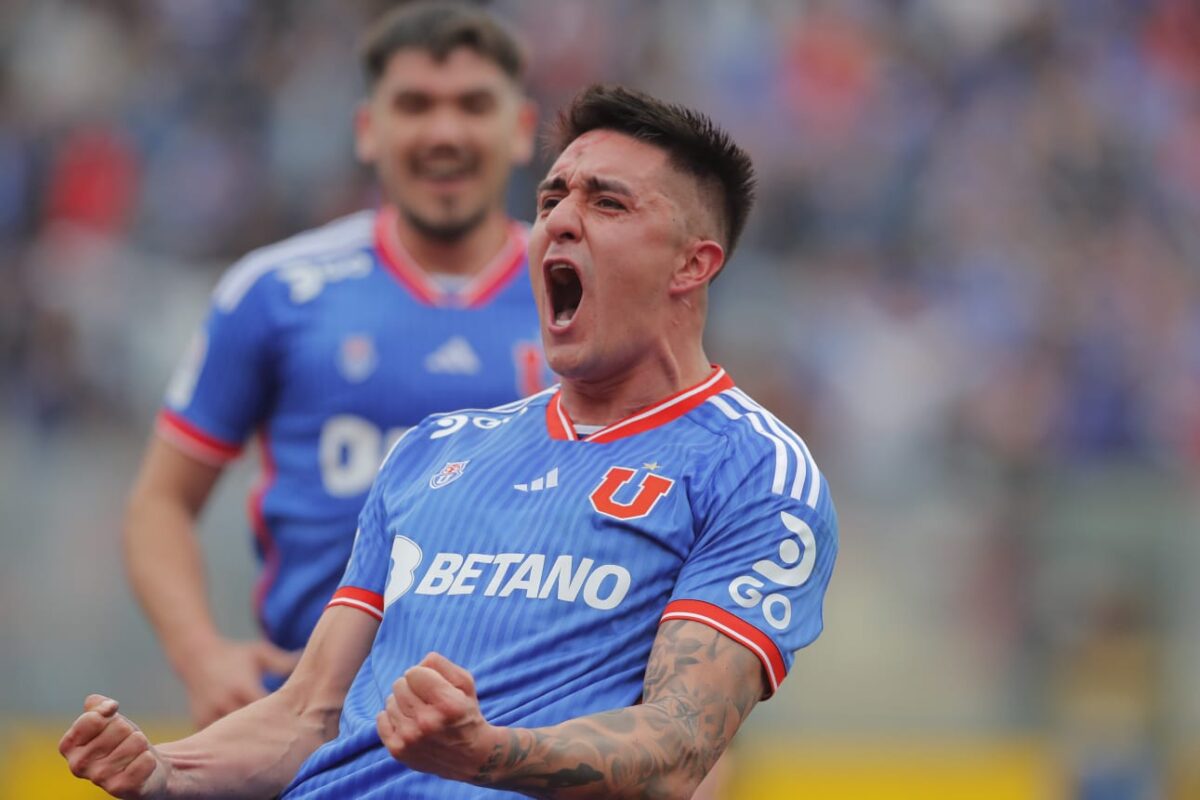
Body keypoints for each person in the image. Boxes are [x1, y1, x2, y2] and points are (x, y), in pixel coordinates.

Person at [61, 84, 838, 799]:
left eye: (608, 203)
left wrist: (485, 752)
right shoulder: (433, 451)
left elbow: (678, 750)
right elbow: (305, 716)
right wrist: (166, 770)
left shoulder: (754, 471)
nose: (560, 219)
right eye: (551, 196)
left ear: (693, 265)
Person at [124, 1, 545, 729]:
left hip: (529, 726)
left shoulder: (587, 293)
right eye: (415, 105)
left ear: (521, 130)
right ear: (367, 130)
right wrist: (201, 657)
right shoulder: (277, 290)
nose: (444, 131)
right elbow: (157, 504)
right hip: (315, 728)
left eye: (474, 105)